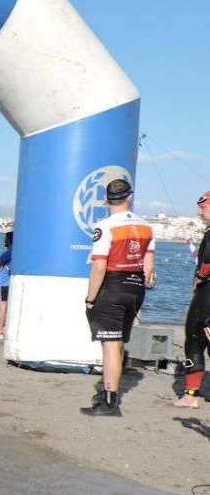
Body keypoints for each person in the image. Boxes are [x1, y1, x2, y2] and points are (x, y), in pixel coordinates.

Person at [80, 178, 155, 417]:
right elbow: (149, 269)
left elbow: (99, 267)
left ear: (106, 199)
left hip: (112, 286)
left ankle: (110, 401)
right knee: (118, 343)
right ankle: (106, 393)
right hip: (135, 288)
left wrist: (90, 299)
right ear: (129, 197)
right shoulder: (147, 227)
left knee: (110, 346)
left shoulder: (105, 226)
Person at [175, 191, 210, 408]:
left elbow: (207, 262)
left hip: (207, 294)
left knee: (195, 338)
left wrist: (200, 277)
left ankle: (191, 395)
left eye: (203, 208)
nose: (199, 213)